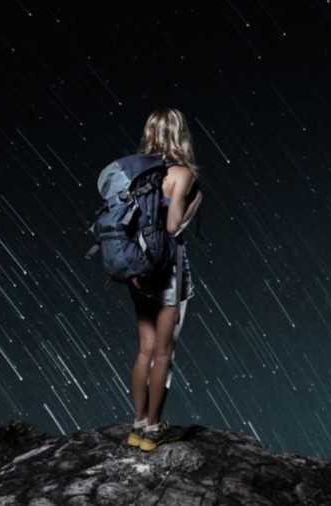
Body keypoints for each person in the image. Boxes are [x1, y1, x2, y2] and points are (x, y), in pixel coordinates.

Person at [125, 107, 203, 452]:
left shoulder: (134, 171)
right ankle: (154, 430)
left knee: (144, 350)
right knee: (163, 352)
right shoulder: (182, 173)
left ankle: (138, 425)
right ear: (179, 133)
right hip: (169, 270)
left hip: (137, 268)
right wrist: (195, 202)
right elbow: (173, 226)